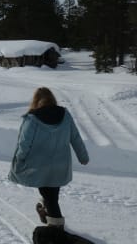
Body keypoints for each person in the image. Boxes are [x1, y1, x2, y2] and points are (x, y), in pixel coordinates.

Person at [8, 87, 89, 229]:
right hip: (61, 166)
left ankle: (57, 229)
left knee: (50, 196)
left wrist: (19, 160)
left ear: (36, 101)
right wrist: (83, 156)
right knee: (52, 193)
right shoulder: (65, 115)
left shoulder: (32, 119)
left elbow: (24, 143)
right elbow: (75, 137)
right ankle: (45, 211)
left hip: (41, 167)